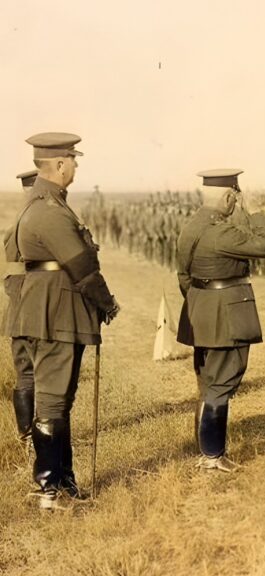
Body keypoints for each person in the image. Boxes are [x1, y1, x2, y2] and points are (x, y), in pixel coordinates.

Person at [13, 133, 119, 509]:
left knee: (59, 401)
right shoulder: (50, 211)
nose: (75, 165)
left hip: (52, 312)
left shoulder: (46, 205)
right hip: (55, 314)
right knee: (54, 403)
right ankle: (48, 490)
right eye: (72, 160)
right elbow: (82, 267)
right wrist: (107, 303)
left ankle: (63, 483)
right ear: (59, 165)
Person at [176, 169, 265, 473]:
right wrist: (256, 211)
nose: (235, 203)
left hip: (201, 310)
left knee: (208, 382)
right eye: (235, 198)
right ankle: (212, 456)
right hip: (225, 314)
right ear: (228, 195)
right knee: (221, 383)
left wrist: (201, 303)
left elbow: (183, 276)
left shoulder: (191, 227)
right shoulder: (221, 232)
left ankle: (206, 449)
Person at [5, 169, 39, 445]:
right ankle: (38, 437)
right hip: (39, 314)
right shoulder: (39, 222)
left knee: (25, 373)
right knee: (49, 376)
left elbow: (9, 279)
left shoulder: (15, 225)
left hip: (18, 314)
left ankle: (26, 436)